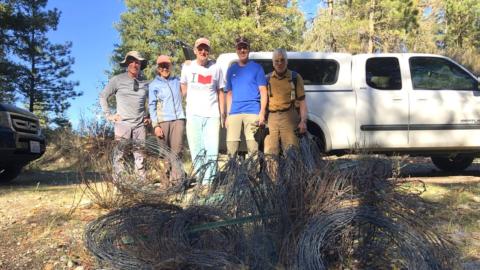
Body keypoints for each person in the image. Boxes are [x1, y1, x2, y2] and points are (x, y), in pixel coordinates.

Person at [180, 38, 225, 185]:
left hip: (212, 115)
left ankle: (209, 183)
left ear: (209, 51)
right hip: (193, 115)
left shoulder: (216, 67)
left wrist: (223, 113)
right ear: (195, 51)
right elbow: (183, 90)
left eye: (206, 49)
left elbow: (220, 92)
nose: (203, 52)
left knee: (212, 150)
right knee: (197, 150)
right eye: (200, 49)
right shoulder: (187, 67)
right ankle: (201, 181)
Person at [99, 50, 150, 179]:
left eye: (137, 62)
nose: (134, 64)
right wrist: (109, 115)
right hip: (123, 124)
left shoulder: (145, 83)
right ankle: (120, 183)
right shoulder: (117, 80)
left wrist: (148, 116)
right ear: (127, 64)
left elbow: (153, 101)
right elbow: (103, 96)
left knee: (140, 156)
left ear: (140, 65)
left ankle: (142, 184)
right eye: (131, 61)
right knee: (119, 155)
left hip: (139, 125)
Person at [264, 48, 308, 177]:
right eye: (276, 61)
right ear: (273, 63)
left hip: (290, 116)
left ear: (287, 62)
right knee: (270, 154)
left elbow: (303, 102)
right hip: (271, 118)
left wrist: (303, 121)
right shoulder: (267, 79)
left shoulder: (295, 77)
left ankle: (292, 183)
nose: (279, 63)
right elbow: (262, 101)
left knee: (292, 152)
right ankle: (273, 184)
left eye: (282, 60)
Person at [225, 37, 268, 156]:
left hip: (252, 111)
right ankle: (232, 173)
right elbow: (229, 94)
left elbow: (263, 91)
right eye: (240, 48)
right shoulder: (231, 69)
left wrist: (262, 112)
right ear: (236, 50)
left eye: (245, 47)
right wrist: (228, 115)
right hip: (234, 112)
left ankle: (253, 174)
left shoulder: (257, 68)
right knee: (231, 148)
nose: (242, 50)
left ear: (249, 49)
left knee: (253, 148)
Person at [149, 55, 185, 181]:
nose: (164, 68)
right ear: (158, 68)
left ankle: (177, 182)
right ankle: (165, 183)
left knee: (177, 151)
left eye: (167, 65)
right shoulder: (153, 84)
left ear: (170, 66)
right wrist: (156, 125)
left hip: (178, 120)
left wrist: (188, 64)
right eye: (162, 66)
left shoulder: (177, 80)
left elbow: (188, 81)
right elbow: (151, 106)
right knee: (164, 153)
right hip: (163, 121)